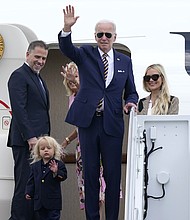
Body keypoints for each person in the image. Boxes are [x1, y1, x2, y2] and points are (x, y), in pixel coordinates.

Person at [58, 5, 139, 220]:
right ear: (95, 36)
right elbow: (67, 49)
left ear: (114, 36)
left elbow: (132, 92)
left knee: (113, 177)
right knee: (91, 176)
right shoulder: (86, 53)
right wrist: (67, 28)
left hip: (112, 124)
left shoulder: (125, 61)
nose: (104, 38)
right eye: (100, 34)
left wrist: (130, 103)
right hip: (89, 123)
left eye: (107, 34)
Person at [7, 40, 50, 220]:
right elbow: (19, 109)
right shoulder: (19, 75)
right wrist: (31, 137)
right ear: (27, 54)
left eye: (44, 58)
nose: (40, 61)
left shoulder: (38, 78)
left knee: (34, 188)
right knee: (24, 186)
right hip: (26, 142)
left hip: (39, 143)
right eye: (37, 57)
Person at [60, 62, 106, 218]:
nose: (72, 83)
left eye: (76, 78)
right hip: (82, 148)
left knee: (99, 193)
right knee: (88, 193)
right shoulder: (73, 97)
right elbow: (81, 124)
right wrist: (67, 141)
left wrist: (80, 86)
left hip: (97, 146)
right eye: (70, 81)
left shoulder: (92, 91)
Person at [25, 136, 67, 220]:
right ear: (38, 151)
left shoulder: (59, 164)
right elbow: (31, 180)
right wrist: (28, 191)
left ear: (54, 150)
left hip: (53, 202)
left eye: (49, 148)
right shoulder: (34, 166)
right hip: (39, 202)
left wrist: (56, 171)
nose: (46, 150)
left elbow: (64, 176)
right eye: (42, 148)